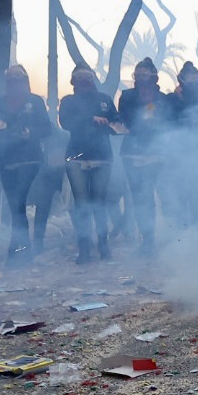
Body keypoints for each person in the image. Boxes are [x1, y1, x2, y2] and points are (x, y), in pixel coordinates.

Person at [0, 65, 52, 266]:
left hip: (29, 158)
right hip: (6, 158)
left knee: (18, 201)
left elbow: (47, 128)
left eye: (18, 78)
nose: (14, 81)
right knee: (14, 205)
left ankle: (18, 248)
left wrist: (30, 133)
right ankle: (22, 248)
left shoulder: (35, 101)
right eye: (11, 78)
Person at [59, 65, 119, 264]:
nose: (84, 80)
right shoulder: (68, 101)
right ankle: (84, 248)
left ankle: (103, 244)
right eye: (79, 76)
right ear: (73, 80)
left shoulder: (104, 99)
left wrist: (115, 125)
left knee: (99, 202)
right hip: (77, 156)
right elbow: (65, 122)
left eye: (87, 76)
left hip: (102, 156)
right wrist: (91, 119)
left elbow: (116, 120)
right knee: (82, 204)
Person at [117, 58, 168, 255]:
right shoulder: (127, 96)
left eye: (145, 73)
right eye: (138, 73)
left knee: (150, 195)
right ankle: (146, 241)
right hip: (132, 152)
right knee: (139, 197)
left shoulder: (162, 98)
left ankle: (153, 239)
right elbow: (126, 118)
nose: (141, 76)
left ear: (153, 76)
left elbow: (165, 120)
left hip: (155, 151)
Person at [166, 61, 198, 228]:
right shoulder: (172, 99)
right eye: (188, 77)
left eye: (194, 77)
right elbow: (168, 120)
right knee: (180, 188)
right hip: (177, 151)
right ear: (181, 79)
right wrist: (180, 100)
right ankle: (182, 223)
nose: (192, 80)